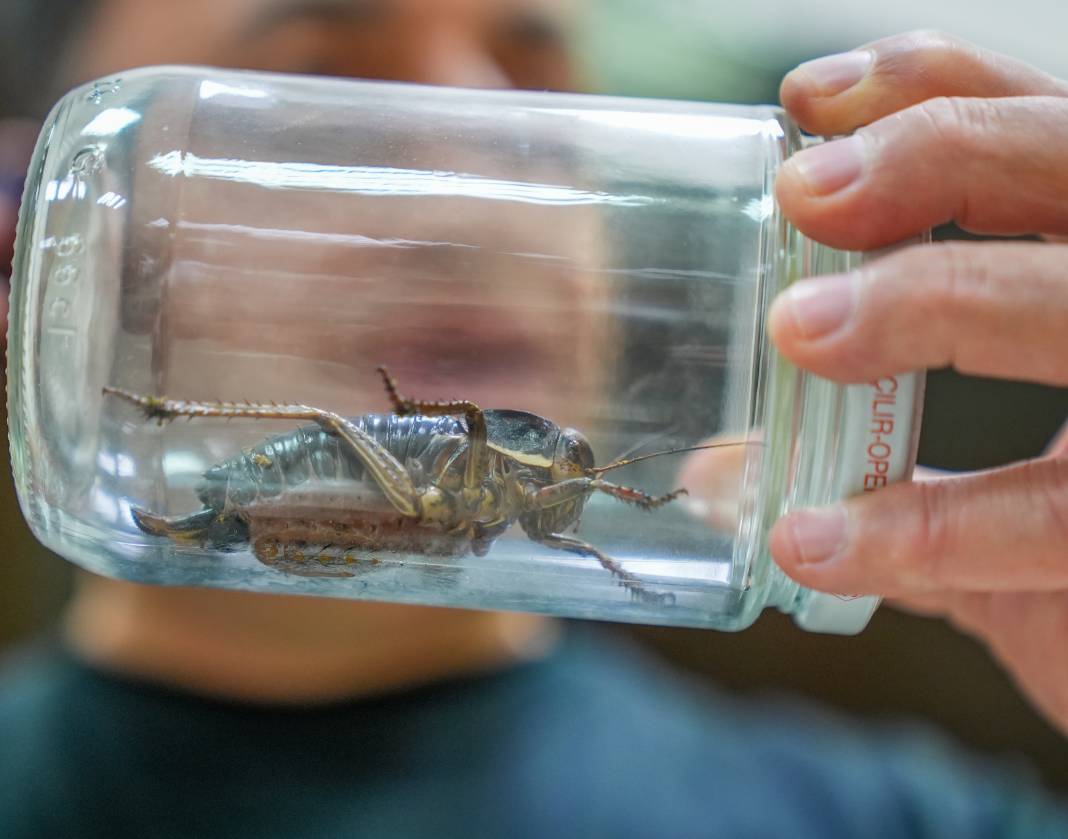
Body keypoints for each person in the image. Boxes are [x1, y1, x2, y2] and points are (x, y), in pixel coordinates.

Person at [0, 5, 1065, 834]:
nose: (481, 179)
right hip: (363, 459)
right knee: (333, 430)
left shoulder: (899, 819)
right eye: (325, 81)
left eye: (537, 88)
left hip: (388, 513)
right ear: (37, 233)